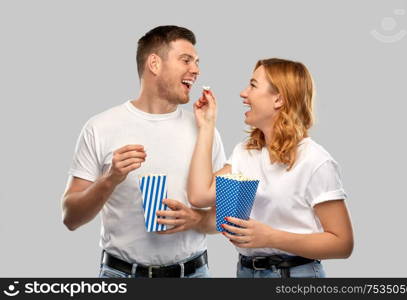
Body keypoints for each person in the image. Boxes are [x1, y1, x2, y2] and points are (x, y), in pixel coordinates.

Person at [61, 25, 226, 278]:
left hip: (194, 274)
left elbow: (230, 215)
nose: (196, 70)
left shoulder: (206, 131)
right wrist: (110, 178)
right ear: (154, 64)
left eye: (197, 62)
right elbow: (71, 218)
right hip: (121, 275)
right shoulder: (100, 127)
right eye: (186, 60)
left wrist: (196, 220)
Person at [188, 58, 354, 278]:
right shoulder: (246, 152)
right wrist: (207, 126)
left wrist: (271, 237)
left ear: (278, 99)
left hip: (296, 274)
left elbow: (342, 244)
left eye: (253, 85)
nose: (243, 93)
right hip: (246, 272)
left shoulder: (315, 161)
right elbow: (199, 196)